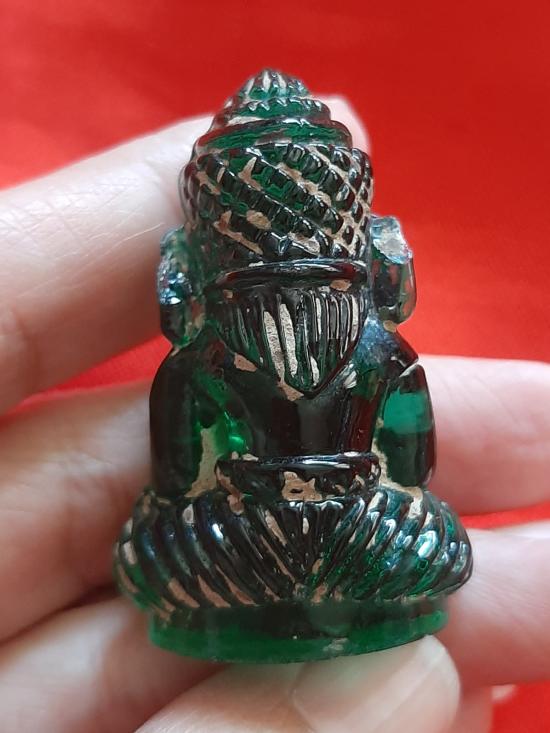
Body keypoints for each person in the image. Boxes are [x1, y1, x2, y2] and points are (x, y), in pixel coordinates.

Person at [0, 99, 548, 733]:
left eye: (314, 281)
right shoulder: (214, 363)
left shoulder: (368, 355)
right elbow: (405, 468)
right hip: (267, 540)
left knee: (427, 543)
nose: (291, 296)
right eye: (264, 287)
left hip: (325, 539)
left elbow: (405, 473)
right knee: (159, 556)